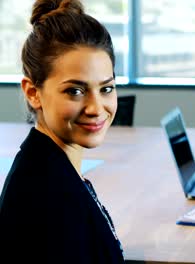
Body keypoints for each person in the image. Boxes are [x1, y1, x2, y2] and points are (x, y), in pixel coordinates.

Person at [0, 0, 124, 263]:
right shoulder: (48, 198)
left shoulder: (53, 168)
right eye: (75, 91)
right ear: (33, 93)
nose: (95, 108)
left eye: (106, 89)